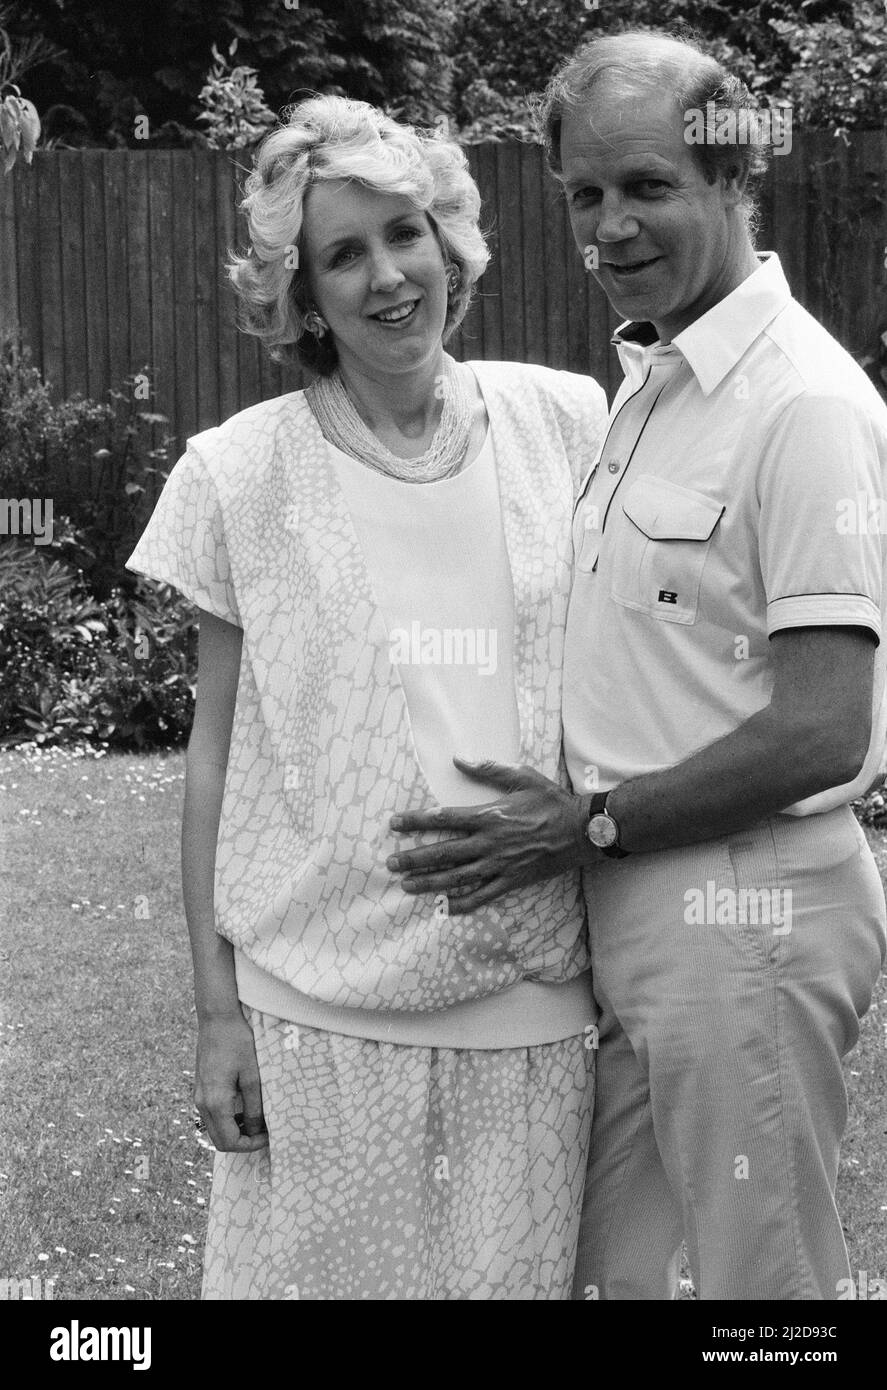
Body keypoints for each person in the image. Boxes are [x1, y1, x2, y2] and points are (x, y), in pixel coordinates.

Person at [386, 32, 887, 1300]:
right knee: (608, 1269)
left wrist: (587, 825)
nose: (610, 224)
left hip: (746, 911)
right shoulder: (652, 383)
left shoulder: (800, 405)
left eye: (647, 185)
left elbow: (824, 730)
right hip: (641, 908)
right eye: (584, 195)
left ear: (733, 179)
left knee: (758, 1287)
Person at [125, 94, 608, 1300]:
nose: (388, 276)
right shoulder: (237, 473)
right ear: (298, 293)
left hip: (532, 1001)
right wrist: (213, 1016)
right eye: (343, 253)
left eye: (406, 232)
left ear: (450, 239)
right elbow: (212, 760)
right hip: (314, 1013)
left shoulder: (570, 422)